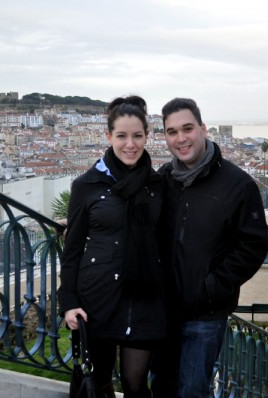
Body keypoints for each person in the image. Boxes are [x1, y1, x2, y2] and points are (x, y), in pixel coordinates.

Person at [151, 98, 268, 398]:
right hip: (164, 310)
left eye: (187, 128)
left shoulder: (238, 185)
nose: (181, 138)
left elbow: (253, 246)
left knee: (192, 390)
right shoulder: (164, 179)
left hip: (205, 313)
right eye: (172, 132)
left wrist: (212, 287)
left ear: (203, 129)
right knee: (162, 385)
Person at [58, 95, 166, 398]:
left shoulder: (157, 186)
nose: (130, 144)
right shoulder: (87, 185)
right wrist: (69, 302)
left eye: (137, 136)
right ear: (109, 137)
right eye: (121, 136)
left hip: (144, 299)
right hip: (97, 298)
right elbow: (73, 248)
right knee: (100, 381)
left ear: (147, 136)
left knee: (135, 385)